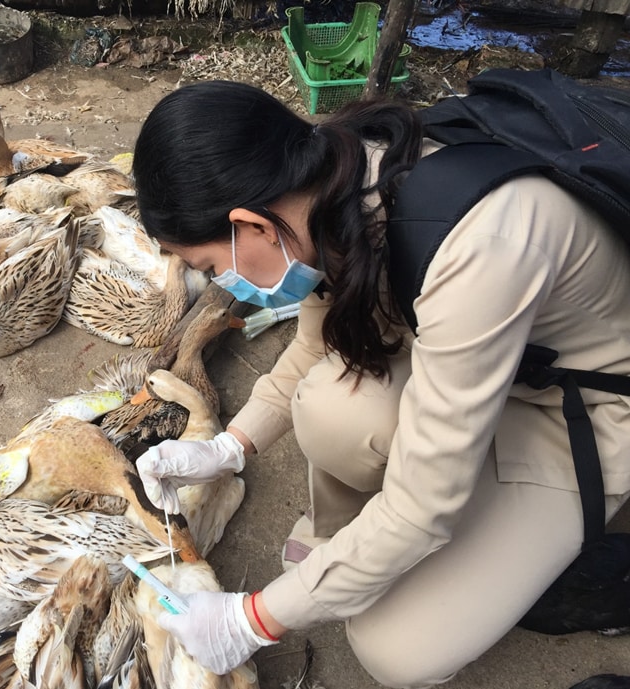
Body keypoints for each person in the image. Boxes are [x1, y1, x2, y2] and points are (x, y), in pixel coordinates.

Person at [130, 80, 630, 688]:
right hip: (484, 367)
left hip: (580, 412)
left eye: (213, 266)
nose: (225, 286)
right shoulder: (330, 183)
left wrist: (254, 619)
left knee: (394, 648)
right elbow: (315, 346)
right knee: (329, 404)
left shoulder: (480, 244)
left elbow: (425, 505)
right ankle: (345, 550)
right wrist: (228, 447)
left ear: (249, 225)